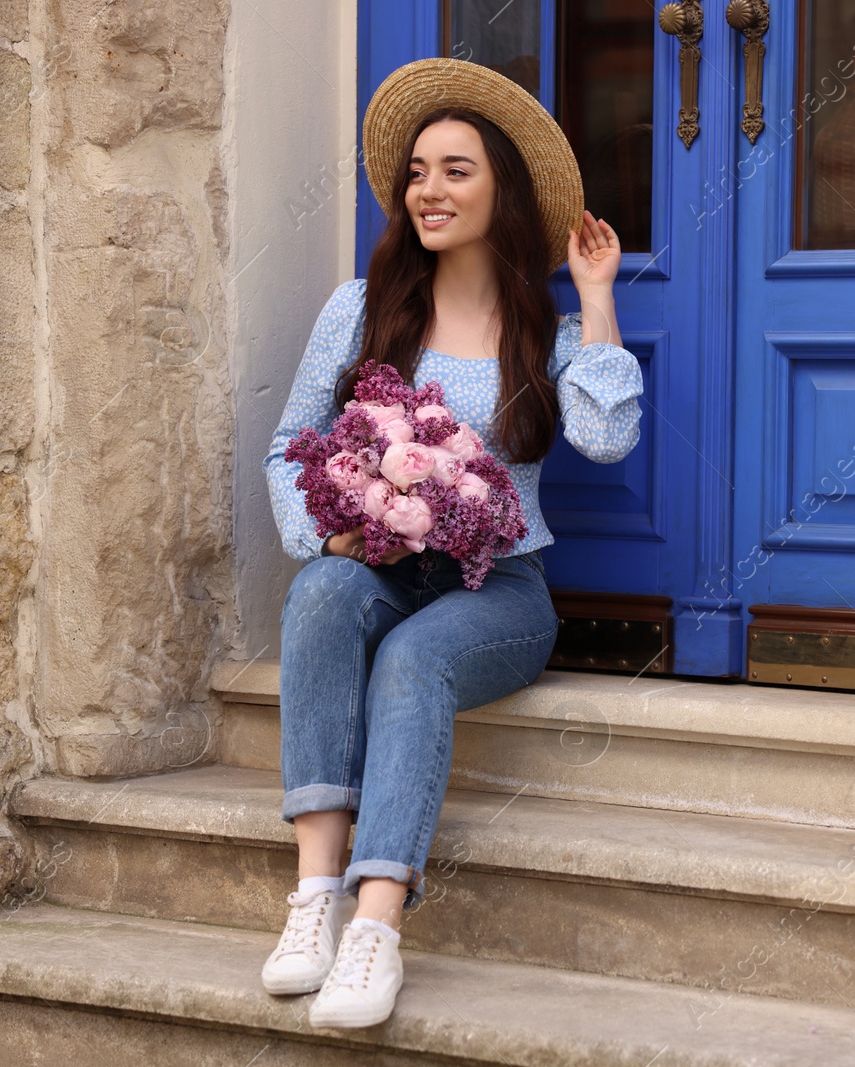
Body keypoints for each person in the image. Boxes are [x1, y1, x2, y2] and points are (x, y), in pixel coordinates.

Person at [257, 57, 641, 1029]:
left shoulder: (538, 329)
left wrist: (595, 295)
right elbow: (284, 442)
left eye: (457, 169)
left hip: (499, 590)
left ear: (501, 188)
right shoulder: (360, 306)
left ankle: (377, 923)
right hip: (382, 566)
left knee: (415, 657)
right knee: (322, 596)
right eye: (419, 171)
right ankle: (314, 897)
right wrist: (328, 535)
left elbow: (605, 436)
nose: (430, 188)